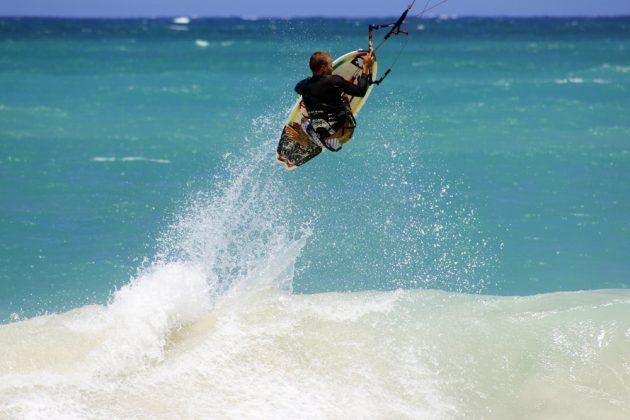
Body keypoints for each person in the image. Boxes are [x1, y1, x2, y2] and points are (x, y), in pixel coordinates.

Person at [286, 49, 375, 151]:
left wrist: (312, 82)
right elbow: (360, 92)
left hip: (318, 137)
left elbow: (296, 88)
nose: (332, 67)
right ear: (323, 68)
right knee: (344, 98)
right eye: (330, 65)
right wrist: (366, 67)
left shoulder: (303, 86)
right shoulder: (334, 80)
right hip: (342, 136)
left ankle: (305, 139)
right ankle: (307, 141)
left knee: (304, 120)